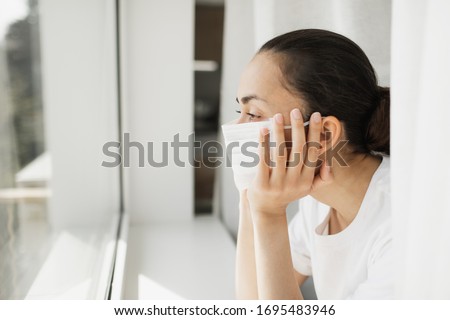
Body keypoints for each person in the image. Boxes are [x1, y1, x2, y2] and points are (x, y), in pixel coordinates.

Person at [233, 29, 392, 299]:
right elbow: (252, 304)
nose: (236, 129)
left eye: (254, 114)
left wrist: (269, 215)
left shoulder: (400, 230)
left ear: (325, 135)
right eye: (240, 112)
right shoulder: (318, 204)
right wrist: (250, 201)